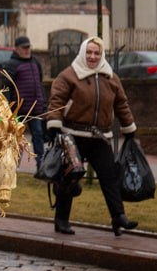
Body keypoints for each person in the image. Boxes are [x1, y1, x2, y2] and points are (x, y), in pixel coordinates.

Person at [45, 36, 139, 236]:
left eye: (96, 53)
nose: (93, 56)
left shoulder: (111, 78)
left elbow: (121, 104)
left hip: (99, 137)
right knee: (68, 178)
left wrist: (129, 128)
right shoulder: (68, 76)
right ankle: (61, 220)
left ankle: (118, 217)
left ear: (102, 54)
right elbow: (56, 101)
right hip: (72, 135)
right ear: (82, 53)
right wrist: (54, 125)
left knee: (109, 177)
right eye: (89, 52)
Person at [0, 35, 46, 173]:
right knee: (15, 139)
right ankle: (13, 166)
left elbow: (40, 82)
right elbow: (6, 87)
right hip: (17, 110)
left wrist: (42, 102)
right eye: (24, 48)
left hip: (35, 108)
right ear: (17, 49)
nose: (27, 50)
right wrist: (8, 108)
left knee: (38, 136)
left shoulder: (35, 63)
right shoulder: (11, 65)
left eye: (28, 47)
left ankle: (41, 166)